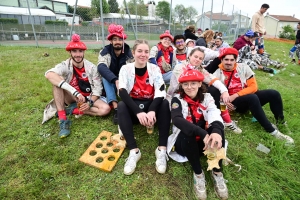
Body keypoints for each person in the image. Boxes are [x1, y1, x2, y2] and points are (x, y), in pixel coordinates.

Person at [167, 69, 228, 200]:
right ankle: (198, 173)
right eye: (185, 84)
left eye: (193, 83)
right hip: (185, 144)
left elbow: (214, 113)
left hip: (204, 143)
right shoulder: (177, 99)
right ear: (181, 86)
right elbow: (177, 119)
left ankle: (217, 171)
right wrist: (202, 132)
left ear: (200, 83)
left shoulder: (207, 97)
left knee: (218, 130)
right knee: (187, 131)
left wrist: (216, 131)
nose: (189, 87)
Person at [213, 48, 294, 145]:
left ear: (236, 60)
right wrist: (224, 106)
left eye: (232, 60)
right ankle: (272, 131)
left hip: (239, 96)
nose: (229, 62)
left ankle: (281, 122)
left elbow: (254, 87)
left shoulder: (243, 67)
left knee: (274, 93)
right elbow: (214, 94)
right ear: (221, 60)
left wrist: (235, 95)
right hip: (234, 103)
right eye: (226, 59)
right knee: (252, 97)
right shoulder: (216, 72)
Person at [118, 40, 171, 175]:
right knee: (121, 105)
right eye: (140, 51)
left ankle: (161, 150)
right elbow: (122, 91)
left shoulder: (154, 69)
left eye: (146, 51)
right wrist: (138, 112)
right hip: (134, 106)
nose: (143, 54)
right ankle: (134, 151)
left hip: (150, 105)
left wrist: (152, 110)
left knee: (164, 104)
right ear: (133, 53)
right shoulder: (125, 68)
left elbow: (160, 90)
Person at [44, 34, 110, 138]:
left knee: (105, 109)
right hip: (72, 96)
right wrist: (75, 92)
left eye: (80, 51)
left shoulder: (92, 68)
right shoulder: (65, 65)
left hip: (88, 97)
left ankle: (71, 110)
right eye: (74, 51)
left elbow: (97, 89)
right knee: (56, 84)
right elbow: (49, 74)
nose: (78, 54)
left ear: (84, 52)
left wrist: (90, 103)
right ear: (70, 52)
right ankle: (63, 120)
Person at [167, 47, 242, 134]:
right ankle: (212, 119)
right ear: (189, 56)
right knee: (205, 93)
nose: (197, 60)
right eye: (195, 57)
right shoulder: (180, 67)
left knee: (216, 91)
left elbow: (212, 78)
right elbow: (185, 86)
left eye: (200, 58)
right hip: (179, 95)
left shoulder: (199, 69)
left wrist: (224, 91)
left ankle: (226, 119)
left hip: (193, 94)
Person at [97, 24, 133, 124]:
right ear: (111, 41)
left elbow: (132, 69)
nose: (118, 42)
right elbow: (101, 67)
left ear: (123, 41)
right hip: (111, 81)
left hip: (123, 79)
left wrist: (122, 80)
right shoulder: (105, 51)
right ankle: (116, 107)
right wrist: (115, 79)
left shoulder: (128, 52)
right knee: (105, 77)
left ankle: (130, 103)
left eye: (120, 39)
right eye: (115, 39)